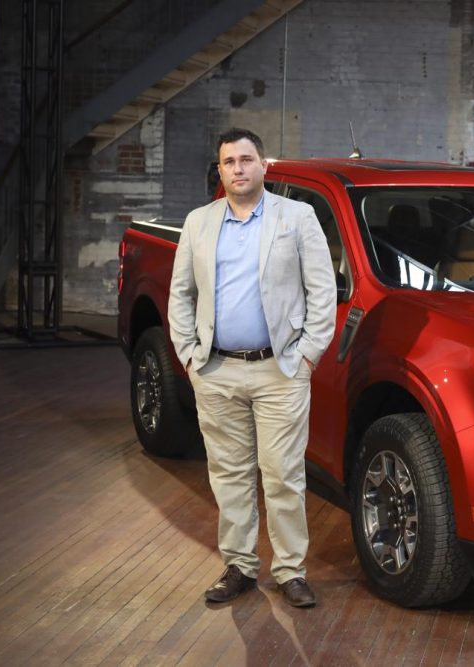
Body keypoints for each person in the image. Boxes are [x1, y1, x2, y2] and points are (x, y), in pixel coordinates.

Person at [168, 128, 336, 607]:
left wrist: (307, 357)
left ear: (265, 165)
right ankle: (239, 566)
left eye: (246, 159)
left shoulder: (297, 217)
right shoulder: (199, 222)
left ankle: (290, 571)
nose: (238, 169)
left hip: (279, 371)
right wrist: (188, 354)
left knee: (283, 474)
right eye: (228, 162)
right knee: (228, 473)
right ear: (220, 171)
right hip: (216, 371)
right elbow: (181, 294)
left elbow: (322, 291)